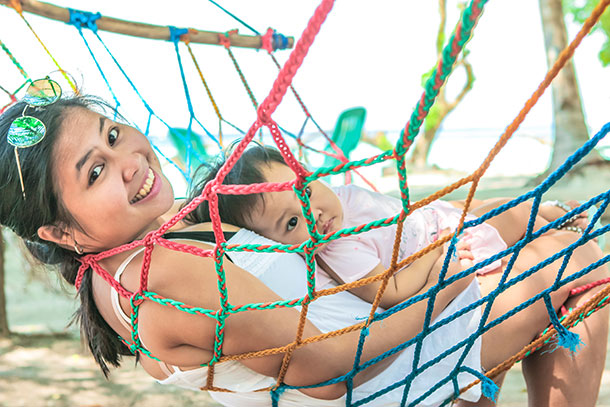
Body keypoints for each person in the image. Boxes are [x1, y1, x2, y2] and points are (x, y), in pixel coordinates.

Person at [0, 86, 607, 407]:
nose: (129, 162)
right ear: (60, 233)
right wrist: (444, 286)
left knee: (552, 238)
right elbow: (335, 363)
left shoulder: (136, 253)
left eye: (113, 135)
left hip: (392, 347)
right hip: (395, 375)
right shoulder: (156, 273)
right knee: (580, 264)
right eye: (95, 172)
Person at [189, 145, 589, 308]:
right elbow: (390, 291)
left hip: (439, 217)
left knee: (511, 208)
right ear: (273, 243)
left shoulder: (342, 197)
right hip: (445, 243)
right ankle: (559, 222)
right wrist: (434, 259)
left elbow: (397, 210)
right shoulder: (336, 249)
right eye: (293, 222)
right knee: (517, 224)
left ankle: (557, 212)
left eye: (306, 191)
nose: (313, 214)